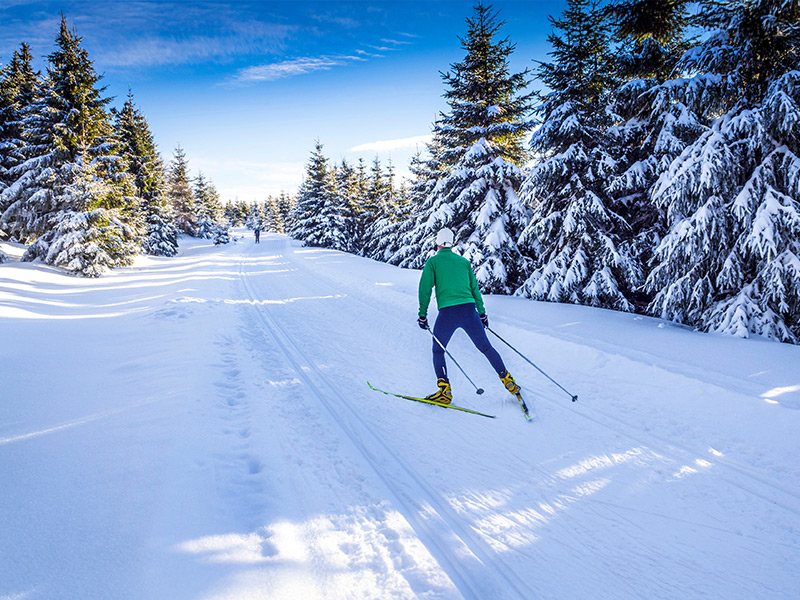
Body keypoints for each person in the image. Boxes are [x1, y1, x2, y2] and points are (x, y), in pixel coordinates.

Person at [417, 227, 521, 404]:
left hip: (448, 313)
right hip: (469, 311)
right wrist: (482, 313)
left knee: (438, 350)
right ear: (452, 242)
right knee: (486, 348)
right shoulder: (464, 262)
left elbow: (424, 289)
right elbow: (475, 289)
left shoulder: (433, 262)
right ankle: (509, 382)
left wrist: (422, 314)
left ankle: (444, 391)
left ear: (438, 242)